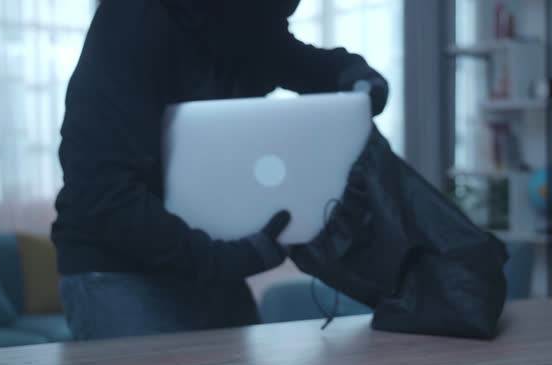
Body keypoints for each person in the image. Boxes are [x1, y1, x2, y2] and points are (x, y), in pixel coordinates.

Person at [51, 0, 388, 340]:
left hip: (211, 263)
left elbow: (299, 61)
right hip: (119, 271)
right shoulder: (135, 18)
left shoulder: (252, 21)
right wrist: (222, 260)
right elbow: (100, 190)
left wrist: (352, 75)